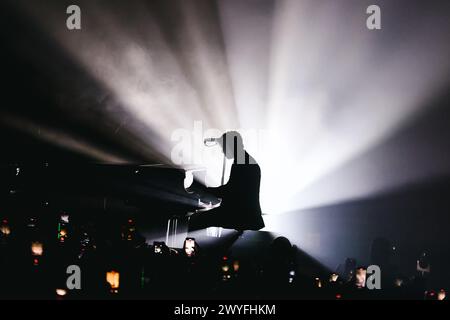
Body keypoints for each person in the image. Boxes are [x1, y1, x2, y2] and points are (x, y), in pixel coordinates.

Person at [188, 131, 265, 231]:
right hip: (245, 213)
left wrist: (205, 190)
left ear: (230, 145)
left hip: (239, 214)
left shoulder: (242, 163)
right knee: (199, 218)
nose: (222, 151)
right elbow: (232, 190)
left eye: (223, 147)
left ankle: (199, 246)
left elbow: (230, 191)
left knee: (196, 219)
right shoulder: (244, 159)